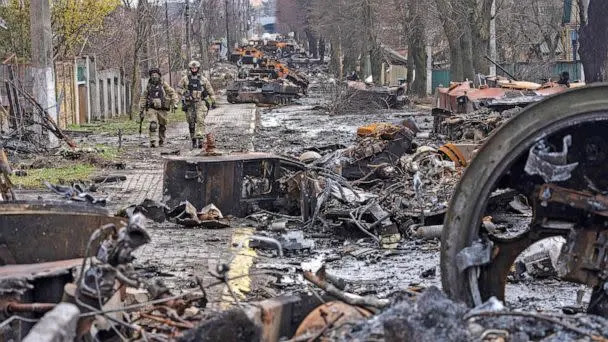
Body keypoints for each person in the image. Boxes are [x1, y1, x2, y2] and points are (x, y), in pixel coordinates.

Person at [178, 60, 217, 149]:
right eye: (192, 68)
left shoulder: (203, 79)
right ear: (190, 69)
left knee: (200, 120)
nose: (194, 69)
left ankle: (200, 139)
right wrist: (185, 93)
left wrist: (213, 101)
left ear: (198, 69)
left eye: (195, 68)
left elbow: (210, 90)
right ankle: (193, 140)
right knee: (191, 123)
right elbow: (178, 89)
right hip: (189, 104)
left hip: (200, 103)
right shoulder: (185, 79)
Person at [139, 68, 178, 148]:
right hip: (151, 108)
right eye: (152, 75)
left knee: (162, 126)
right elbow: (143, 97)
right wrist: (141, 108)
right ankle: (153, 141)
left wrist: (174, 102)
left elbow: (172, 92)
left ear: (159, 75)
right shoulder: (148, 86)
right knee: (153, 124)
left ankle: (161, 140)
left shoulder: (163, 84)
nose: (154, 76)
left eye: (156, 75)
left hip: (162, 108)